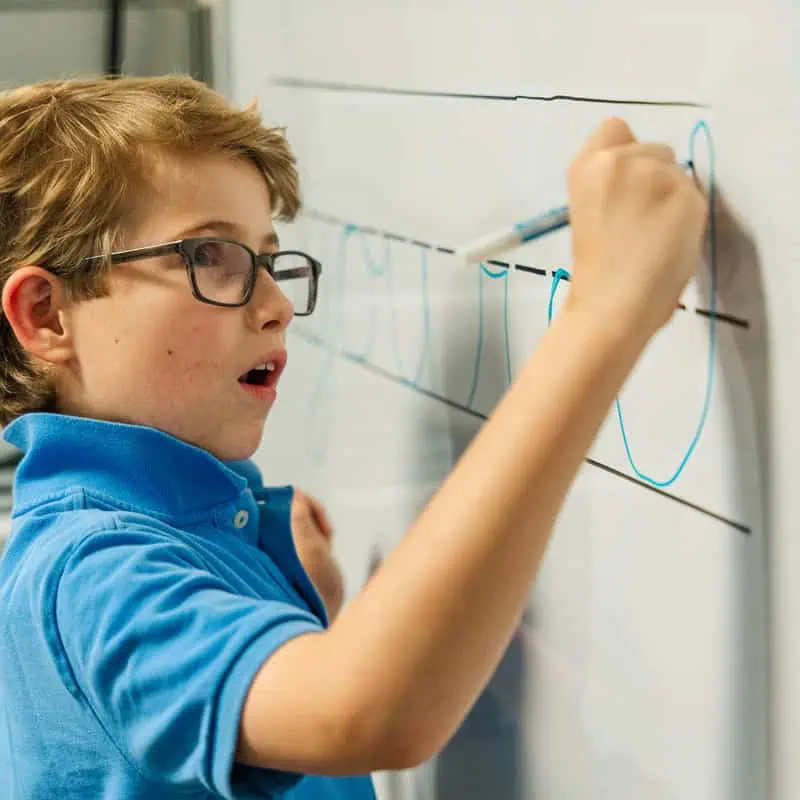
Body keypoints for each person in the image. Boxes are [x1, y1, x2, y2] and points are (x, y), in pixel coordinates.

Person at [0, 75, 706, 799]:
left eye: (271, 260)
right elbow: (364, 713)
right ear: (48, 314)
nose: (276, 306)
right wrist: (604, 313)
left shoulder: (189, 528)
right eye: (210, 256)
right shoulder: (89, 574)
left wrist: (305, 624)